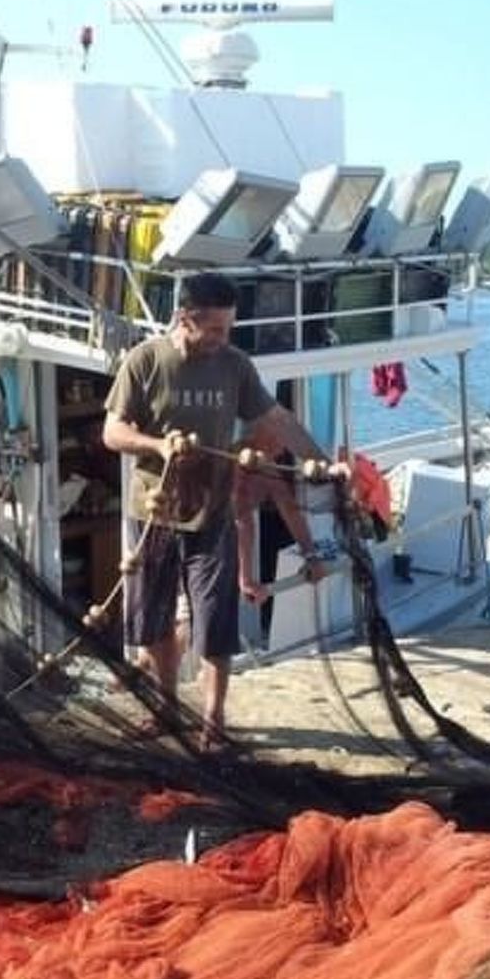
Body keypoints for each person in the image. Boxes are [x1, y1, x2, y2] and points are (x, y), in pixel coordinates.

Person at [104, 274, 325, 751]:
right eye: (216, 330)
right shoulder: (145, 361)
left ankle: (213, 720)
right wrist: (157, 446)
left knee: (214, 621)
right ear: (185, 319)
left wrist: (322, 463)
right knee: (153, 620)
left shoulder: (235, 365)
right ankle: (166, 709)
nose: (224, 338)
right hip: (153, 515)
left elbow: (278, 419)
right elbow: (112, 432)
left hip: (212, 516)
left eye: (228, 328)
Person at [235, 458, 328, 606]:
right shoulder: (235, 471)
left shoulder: (266, 468)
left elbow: (288, 507)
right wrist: (245, 578)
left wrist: (311, 556)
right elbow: (243, 518)